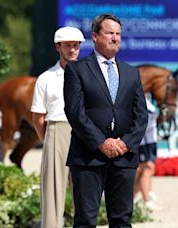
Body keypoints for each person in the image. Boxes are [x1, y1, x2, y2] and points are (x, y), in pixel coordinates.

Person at [63, 14, 148, 227]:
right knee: (85, 220)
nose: (115, 38)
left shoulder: (131, 72)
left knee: (122, 220)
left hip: (124, 157)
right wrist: (101, 142)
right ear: (95, 36)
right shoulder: (77, 69)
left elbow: (141, 116)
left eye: (118, 34)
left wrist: (125, 143)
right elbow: (75, 112)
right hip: (88, 156)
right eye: (110, 33)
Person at [30, 26, 85, 228]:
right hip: (56, 129)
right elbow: (38, 117)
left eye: (76, 46)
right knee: (53, 192)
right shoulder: (45, 78)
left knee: (85, 191)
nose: (72, 50)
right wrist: (49, 140)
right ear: (58, 47)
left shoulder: (89, 74)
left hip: (84, 133)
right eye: (68, 46)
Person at [133, 97, 161, 210]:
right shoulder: (142, 100)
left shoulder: (147, 100)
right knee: (146, 169)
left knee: (148, 169)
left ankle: (133, 198)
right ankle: (146, 200)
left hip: (150, 140)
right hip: (144, 141)